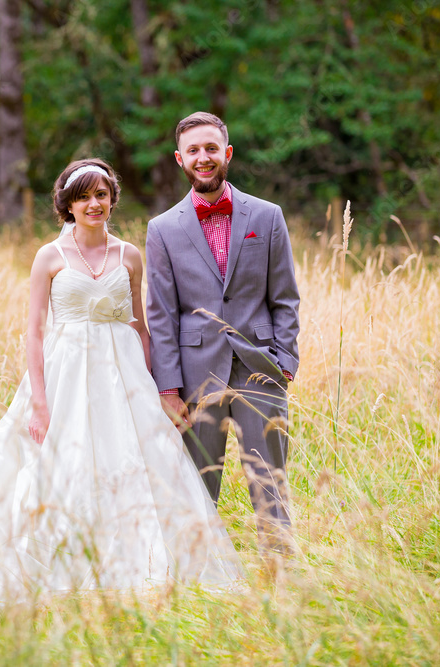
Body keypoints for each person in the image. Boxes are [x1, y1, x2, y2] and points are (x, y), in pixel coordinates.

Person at [0, 158, 243, 608]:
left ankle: (139, 564)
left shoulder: (129, 254)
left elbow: (140, 324)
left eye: (101, 195)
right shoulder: (48, 257)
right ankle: (51, 562)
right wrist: (39, 402)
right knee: (58, 461)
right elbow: (34, 331)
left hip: (122, 373)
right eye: (83, 197)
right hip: (65, 371)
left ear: (112, 199)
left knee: (133, 459)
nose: (94, 204)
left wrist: (160, 391)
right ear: (67, 205)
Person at [145, 112, 301, 555]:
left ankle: (279, 583)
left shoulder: (267, 217)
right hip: (195, 378)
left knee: (271, 486)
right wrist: (169, 389)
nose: (203, 157)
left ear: (227, 153)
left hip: (261, 372)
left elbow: (285, 297)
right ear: (180, 159)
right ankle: (197, 584)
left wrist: (284, 362)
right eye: (193, 150)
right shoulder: (163, 229)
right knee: (196, 490)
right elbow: (161, 316)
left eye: (211, 148)